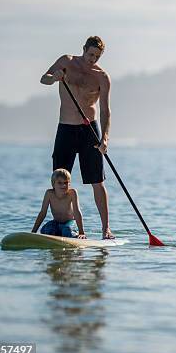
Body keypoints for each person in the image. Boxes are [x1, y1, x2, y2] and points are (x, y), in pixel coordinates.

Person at [40, 36, 114, 239]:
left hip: (89, 130)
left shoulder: (102, 77)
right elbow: (43, 79)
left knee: (97, 181)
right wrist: (54, 77)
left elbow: (106, 111)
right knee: (59, 180)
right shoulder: (66, 62)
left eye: (97, 57)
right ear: (83, 49)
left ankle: (105, 229)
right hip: (66, 128)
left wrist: (105, 138)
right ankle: (61, 224)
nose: (93, 59)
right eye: (91, 54)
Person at [32, 169, 86, 238]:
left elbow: (77, 212)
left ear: (69, 184)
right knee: (48, 230)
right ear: (53, 184)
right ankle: (58, 233)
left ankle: (72, 234)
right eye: (59, 183)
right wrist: (33, 232)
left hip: (69, 223)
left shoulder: (72, 193)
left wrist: (82, 232)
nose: (63, 185)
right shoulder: (49, 193)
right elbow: (42, 213)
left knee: (67, 231)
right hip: (56, 222)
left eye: (66, 182)